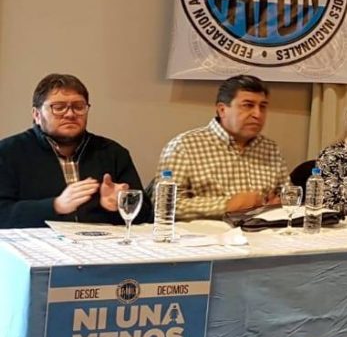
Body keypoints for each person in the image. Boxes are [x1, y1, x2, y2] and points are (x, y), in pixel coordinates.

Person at [0, 74, 148, 228]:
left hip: (100, 245)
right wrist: (55, 206)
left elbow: (145, 214)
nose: (70, 114)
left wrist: (119, 205)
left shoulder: (112, 152)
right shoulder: (8, 152)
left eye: (78, 107)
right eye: (58, 107)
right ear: (37, 115)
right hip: (35, 247)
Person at [158, 75, 288, 221]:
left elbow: (287, 195)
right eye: (248, 105)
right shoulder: (184, 146)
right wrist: (226, 205)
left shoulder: (269, 148)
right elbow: (164, 206)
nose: (257, 114)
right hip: (204, 238)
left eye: (262, 107)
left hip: (262, 235)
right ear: (222, 110)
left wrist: (281, 203)